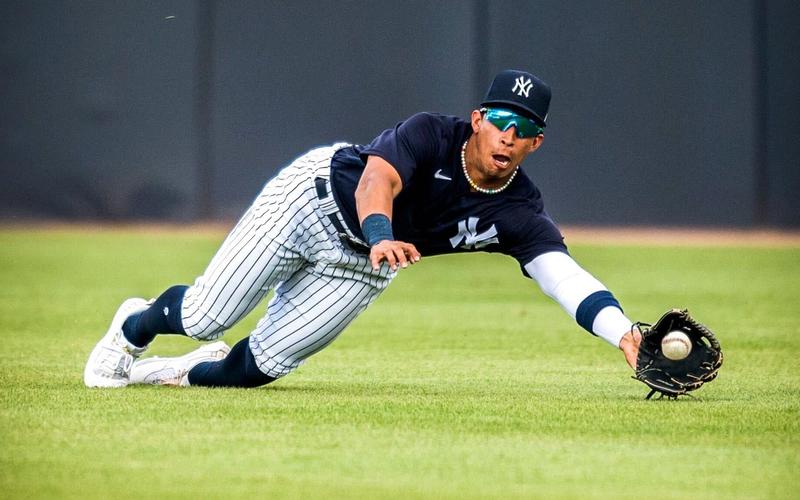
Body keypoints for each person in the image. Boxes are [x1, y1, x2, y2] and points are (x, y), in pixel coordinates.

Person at [84, 69, 642, 389]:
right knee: (209, 315)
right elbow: (376, 183)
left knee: (260, 368)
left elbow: (562, 276)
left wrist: (622, 332)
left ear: (535, 142)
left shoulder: (519, 208)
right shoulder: (430, 134)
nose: (507, 137)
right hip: (312, 202)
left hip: (363, 265)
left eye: (523, 129)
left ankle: (177, 374)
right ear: (478, 119)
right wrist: (380, 236)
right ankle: (131, 330)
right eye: (499, 121)